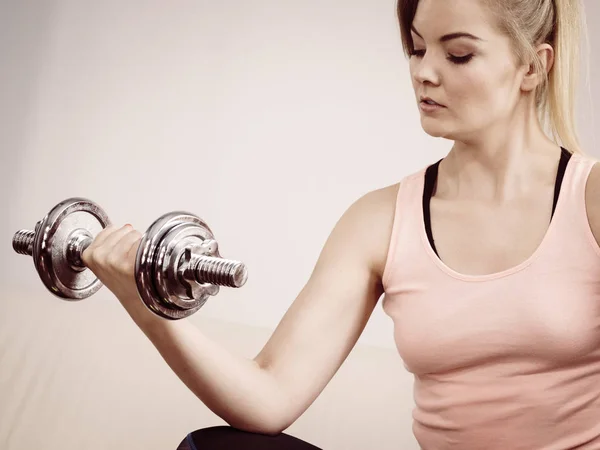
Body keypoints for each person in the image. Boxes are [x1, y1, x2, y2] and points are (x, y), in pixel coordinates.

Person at [81, 0, 598, 448]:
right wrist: (145, 304)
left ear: (533, 66)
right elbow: (270, 395)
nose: (424, 72)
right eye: (417, 48)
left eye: (457, 53)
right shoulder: (378, 221)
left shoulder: (589, 200)